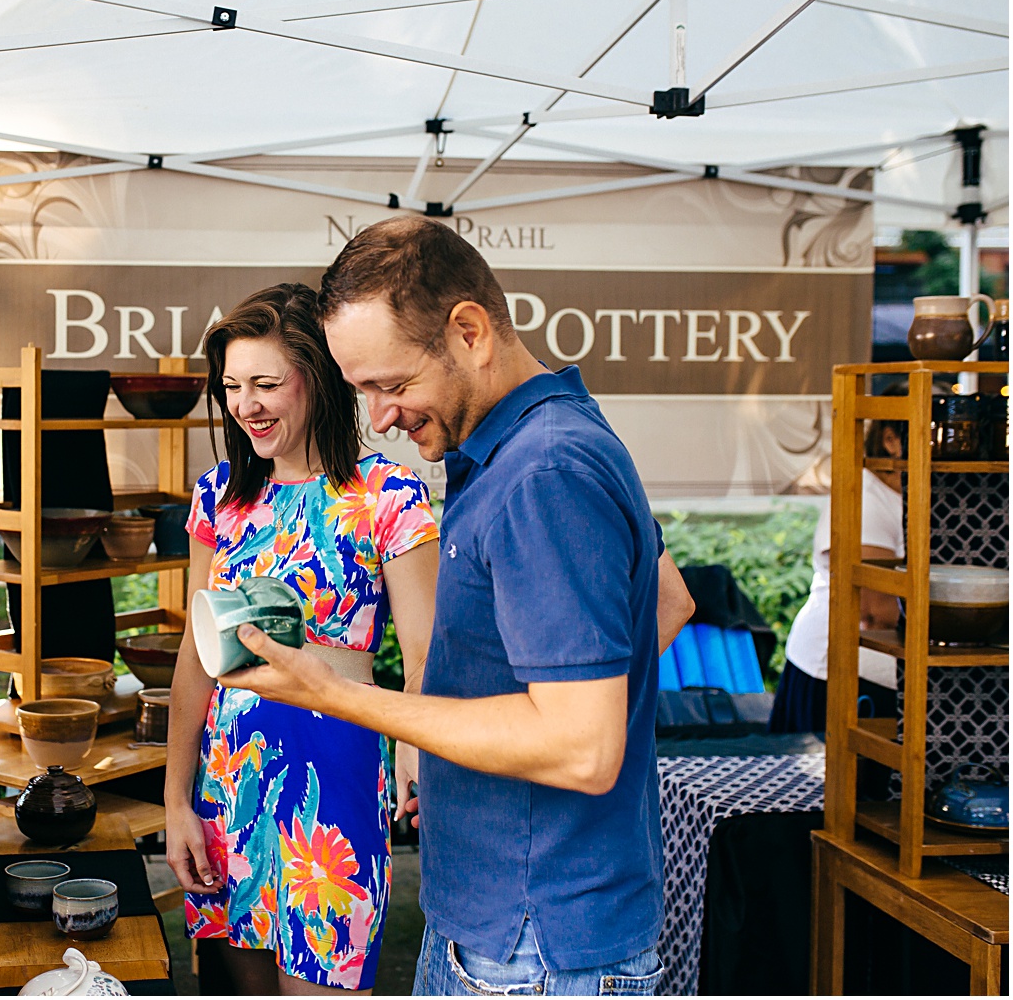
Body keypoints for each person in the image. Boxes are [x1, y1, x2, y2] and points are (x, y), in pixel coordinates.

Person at [220, 216, 695, 997]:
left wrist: (335, 694)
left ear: (469, 331)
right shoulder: (530, 437)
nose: (377, 418)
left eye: (392, 383)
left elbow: (583, 747)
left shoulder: (544, 470)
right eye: (361, 389)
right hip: (512, 918)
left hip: (534, 942)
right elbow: (667, 601)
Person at [164, 283, 441, 995]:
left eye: (265, 382)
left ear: (316, 379)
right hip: (229, 782)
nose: (245, 404)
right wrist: (175, 804)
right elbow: (193, 663)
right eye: (231, 386)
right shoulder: (220, 496)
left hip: (335, 781)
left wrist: (413, 747)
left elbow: (424, 658)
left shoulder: (388, 493)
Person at [771, 414, 905, 732]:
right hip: (835, 671)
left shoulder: (906, 494)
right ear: (890, 440)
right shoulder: (865, 501)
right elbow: (874, 611)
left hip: (876, 669)